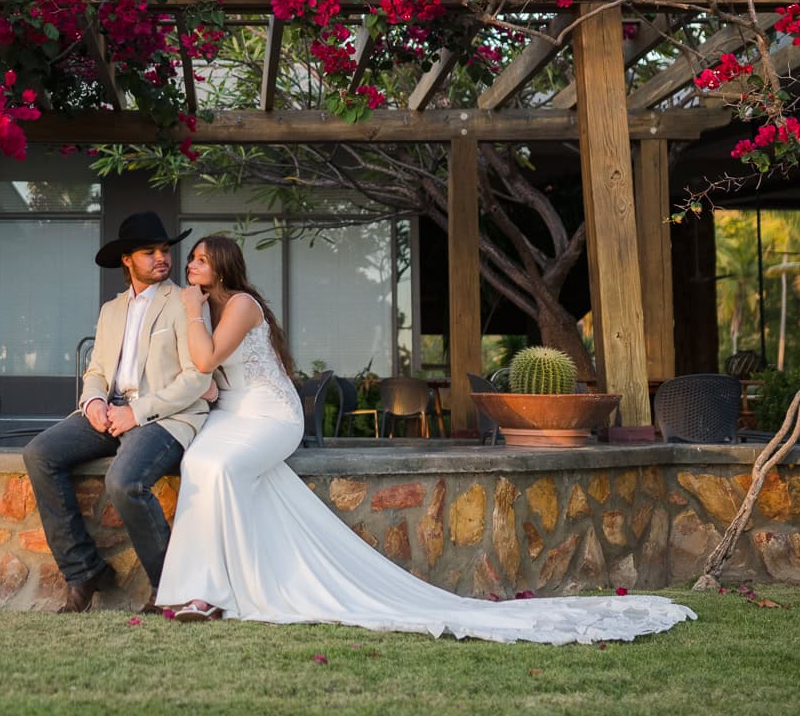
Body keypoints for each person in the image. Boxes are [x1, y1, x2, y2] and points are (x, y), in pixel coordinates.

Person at [154, 234, 697, 644]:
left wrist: (191, 311)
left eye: (199, 258)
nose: (190, 265)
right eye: (192, 258)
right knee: (199, 464)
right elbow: (199, 374)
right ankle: (190, 588)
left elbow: (204, 356)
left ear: (220, 265)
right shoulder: (203, 309)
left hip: (270, 416)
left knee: (222, 470)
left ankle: (218, 592)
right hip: (228, 412)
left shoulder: (239, 304)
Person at [22, 211, 214, 615]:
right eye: (150, 252)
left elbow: (198, 378)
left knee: (124, 480)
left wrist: (137, 412)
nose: (162, 257)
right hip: (111, 410)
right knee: (39, 454)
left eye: (165, 250)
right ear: (127, 259)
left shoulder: (184, 302)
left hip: (167, 416)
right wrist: (92, 403)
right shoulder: (111, 310)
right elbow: (97, 370)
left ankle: (171, 587)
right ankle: (84, 571)